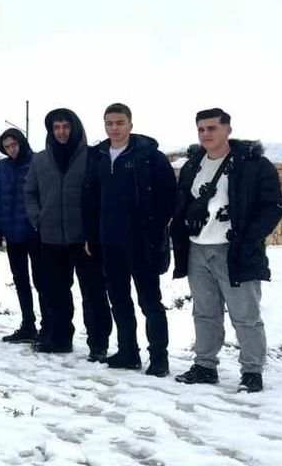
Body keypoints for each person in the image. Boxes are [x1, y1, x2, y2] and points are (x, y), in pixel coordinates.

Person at [171, 109, 282, 393]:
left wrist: (248, 238)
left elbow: (273, 206)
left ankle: (252, 371)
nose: (206, 134)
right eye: (201, 129)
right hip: (198, 249)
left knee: (245, 314)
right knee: (205, 312)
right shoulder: (194, 164)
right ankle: (205, 366)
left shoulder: (253, 165)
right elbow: (182, 200)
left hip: (234, 250)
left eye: (211, 128)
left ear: (227, 130)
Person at [88, 104, 176, 376]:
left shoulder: (150, 156)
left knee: (150, 302)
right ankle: (128, 351)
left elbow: (169, 198)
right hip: (110, 242)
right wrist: (93, 236)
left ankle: (159, 358)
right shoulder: (99, 156)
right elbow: (91, 200)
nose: (114, 128)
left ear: (130, 124)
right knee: (119, 300)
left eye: (119, 122)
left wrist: (153, 231)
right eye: (109, 123)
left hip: (142, 243)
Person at [25, 108, 112, 360]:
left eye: (66, 126)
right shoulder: (40, 159)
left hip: (84, 240)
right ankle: (60, 339)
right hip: (51, 238)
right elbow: (29, 192)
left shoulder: (92, 157)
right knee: (56, 294)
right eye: (56, 127)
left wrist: (94, 230)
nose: (61, 132)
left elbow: (100, 195)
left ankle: (98, 344)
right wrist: (38, 218)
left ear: (75, 128)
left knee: (94, 295)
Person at [0, 127, 46, 344]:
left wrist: (40, 224)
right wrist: (2, 226)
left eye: (14, 145)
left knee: (42, 281)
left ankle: (48, 326)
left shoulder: (38, 162)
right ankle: (28, 324)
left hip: (35, 233)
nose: (11, 150)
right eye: (6, 147)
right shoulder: (2, 167)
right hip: (13, 234)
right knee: (21, 281)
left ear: (22, 142)